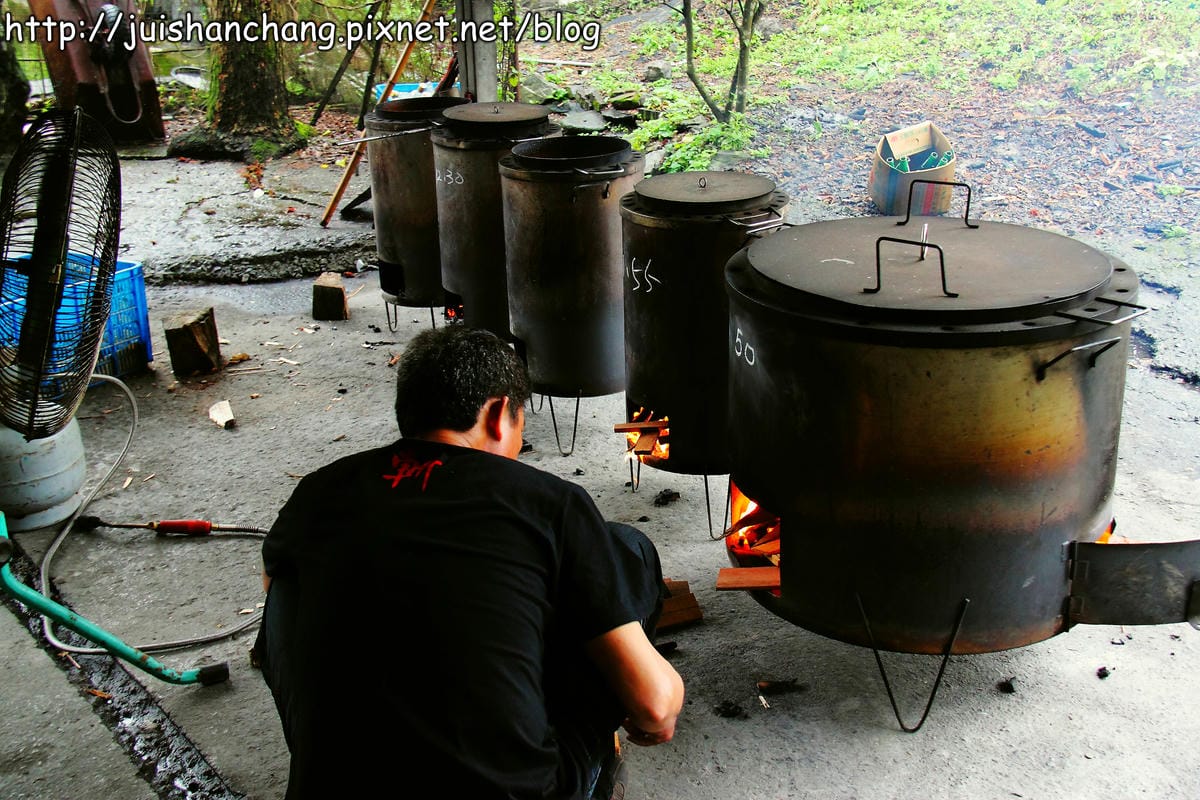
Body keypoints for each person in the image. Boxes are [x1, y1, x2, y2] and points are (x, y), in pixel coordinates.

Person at [254, 324, 684, 799]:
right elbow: (656, 708)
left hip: (333, 786)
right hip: (518, 788)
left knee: (293, 579)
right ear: (500, 413)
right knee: (628, 548)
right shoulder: (548, 503)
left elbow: (277, 594)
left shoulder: (318, 490)